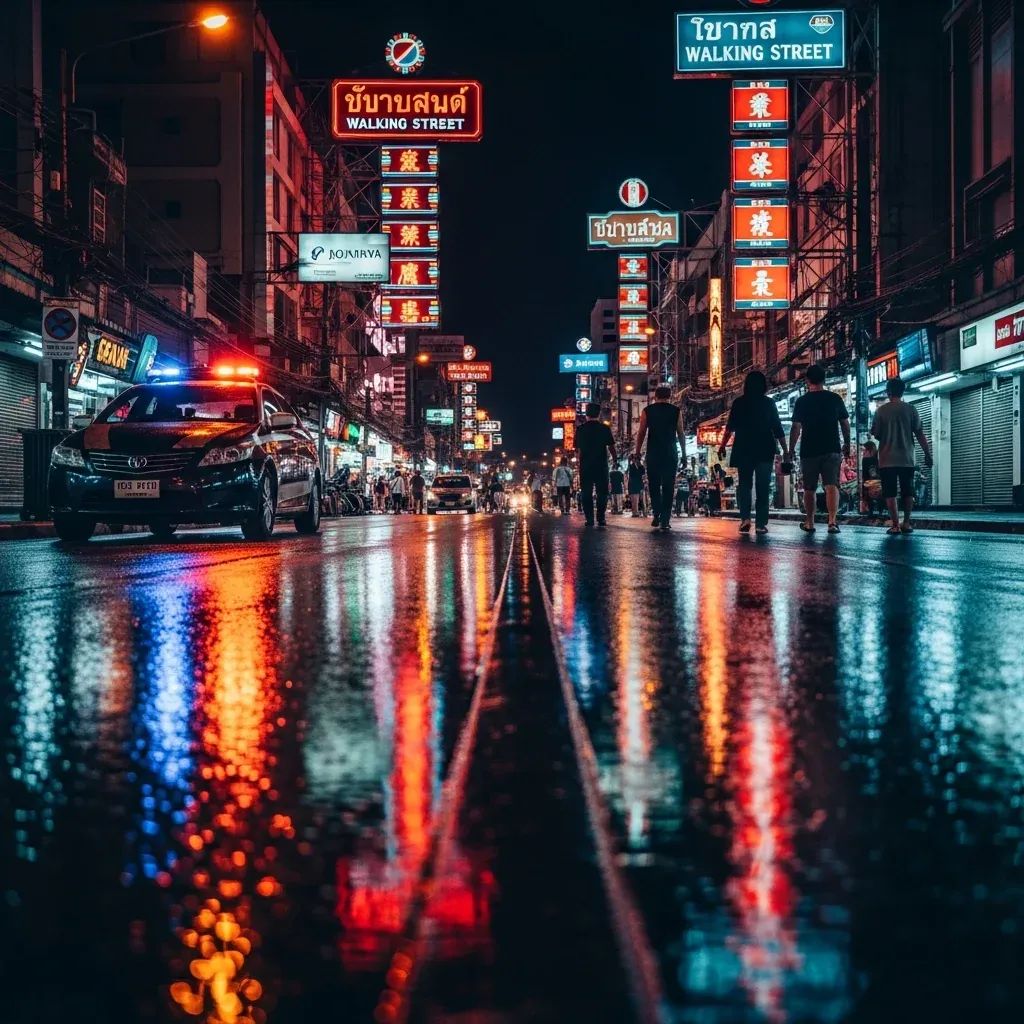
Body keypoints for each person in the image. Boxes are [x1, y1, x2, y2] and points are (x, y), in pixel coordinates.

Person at [718, 370, 786, 535]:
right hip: (765, 449)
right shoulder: (769, 403)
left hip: (744, 449)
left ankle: (745, 520)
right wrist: (786, 449)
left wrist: (722, 446)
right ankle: (761, 524)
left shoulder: (739, 403)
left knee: (745, 485)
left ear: (746, 385)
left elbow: (729, 428)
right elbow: (777, 428)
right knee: (763, 486)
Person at [788, 363, 851, 535]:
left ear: (807, 380)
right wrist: (846, 443)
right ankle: (832, 522)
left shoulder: (802, 401)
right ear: (824, 379)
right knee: (832, 485)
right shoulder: (835, 399)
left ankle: (810, 522)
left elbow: (796, 428)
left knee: (809, 488)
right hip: (832, 448)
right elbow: (845, 424)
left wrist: (790, 449)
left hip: (809, 450)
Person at [871, 376, 933, 534]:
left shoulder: (880, 411)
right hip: (907, 458)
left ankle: (895, 525)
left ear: (888, 392)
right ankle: (906, 522)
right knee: (908, 490)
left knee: (890, 492)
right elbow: (919, 434)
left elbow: (876, 434)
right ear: (902, 391)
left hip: (887, 459)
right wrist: (927, 453)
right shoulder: (911, 409)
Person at [634, 385, 685, 532]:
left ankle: (657, 513)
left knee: (654, 485)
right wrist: (684, 454)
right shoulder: (676, 411)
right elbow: (680, 433)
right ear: (669, 396)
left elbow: (641, 433)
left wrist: (637, 452)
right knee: (669, 486)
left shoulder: (647, 411)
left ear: (655, 396)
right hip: (670, 453)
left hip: (653, 453)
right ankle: (665, 519)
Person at [574, 403, 617, 528]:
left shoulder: (580, 429)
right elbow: (611, 447)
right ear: (599, 414)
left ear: (586, 414)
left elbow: (577, 450)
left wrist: (579, 462)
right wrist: (615, 460)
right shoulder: (604, 428)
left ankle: (589, 519)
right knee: (602, 492)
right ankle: (601, 518)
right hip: (601, 465)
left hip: (585, 465)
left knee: (586, 492)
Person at [860, 440, 883, 516]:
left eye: (865, 450)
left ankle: (876, 511)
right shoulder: (867, 459)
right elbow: (865, 474)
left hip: (875, 481)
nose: (864, 452)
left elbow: (865, 474)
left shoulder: (876, 458)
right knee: (872, 496)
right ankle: (874, 511)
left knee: (876, 495)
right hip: (872, 481)